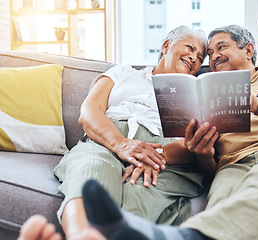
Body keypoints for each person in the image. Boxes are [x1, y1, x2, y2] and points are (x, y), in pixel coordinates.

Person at [18, 24, 258, 240]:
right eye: (204, 53)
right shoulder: (137, 77)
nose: (209, 58)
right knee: (98, 169)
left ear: (250, 50)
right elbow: (90, 113)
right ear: (166, 46)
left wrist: (255, 103)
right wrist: (131, 146)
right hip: (224, 164)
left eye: (217, 50)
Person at [51, 26, 210, 240]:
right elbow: (89, 112)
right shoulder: (123, 73)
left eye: (200, 57)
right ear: (166, 46)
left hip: (165, 157)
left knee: (139, 193)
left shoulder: (197, 95)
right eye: (190, 48)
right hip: (106, 142)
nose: (194, 58)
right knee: (92, 171)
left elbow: (194, 145)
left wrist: (156, 157)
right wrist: (121, 144)